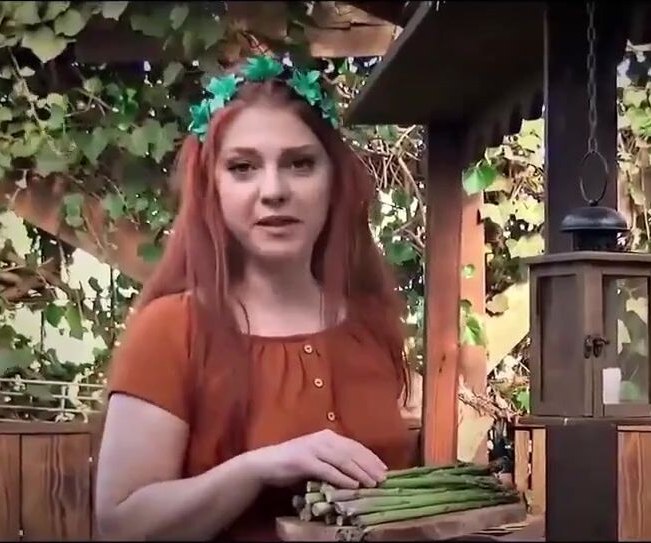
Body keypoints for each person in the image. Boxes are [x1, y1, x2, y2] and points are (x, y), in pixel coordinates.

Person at [93, 56, 417, 541]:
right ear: (212, 187)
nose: (274, 190)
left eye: (300, 163)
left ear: (334, 180)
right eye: (243, 167)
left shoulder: (369, 325)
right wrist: (258, 468)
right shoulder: (173, 329)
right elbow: (121, 524)